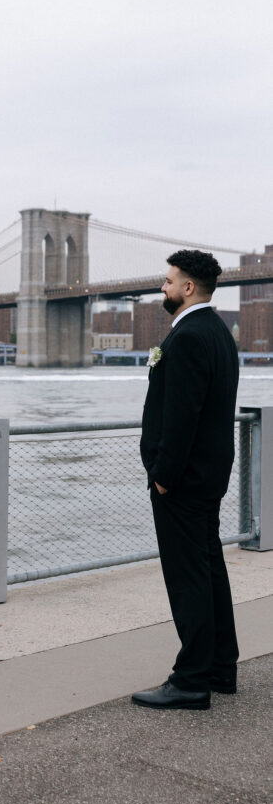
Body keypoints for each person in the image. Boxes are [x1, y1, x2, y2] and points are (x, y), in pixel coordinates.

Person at [133, 250, 239, 710]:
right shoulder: (217, 332)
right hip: (207, 476)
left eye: (168, 281)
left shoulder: (190, 336)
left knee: (188, 578)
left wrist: (163, 477)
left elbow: (182, 417)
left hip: (183, 481)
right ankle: (219, 668)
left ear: (188, 288)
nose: (163, 287)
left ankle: (191, 680)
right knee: (209, 570)